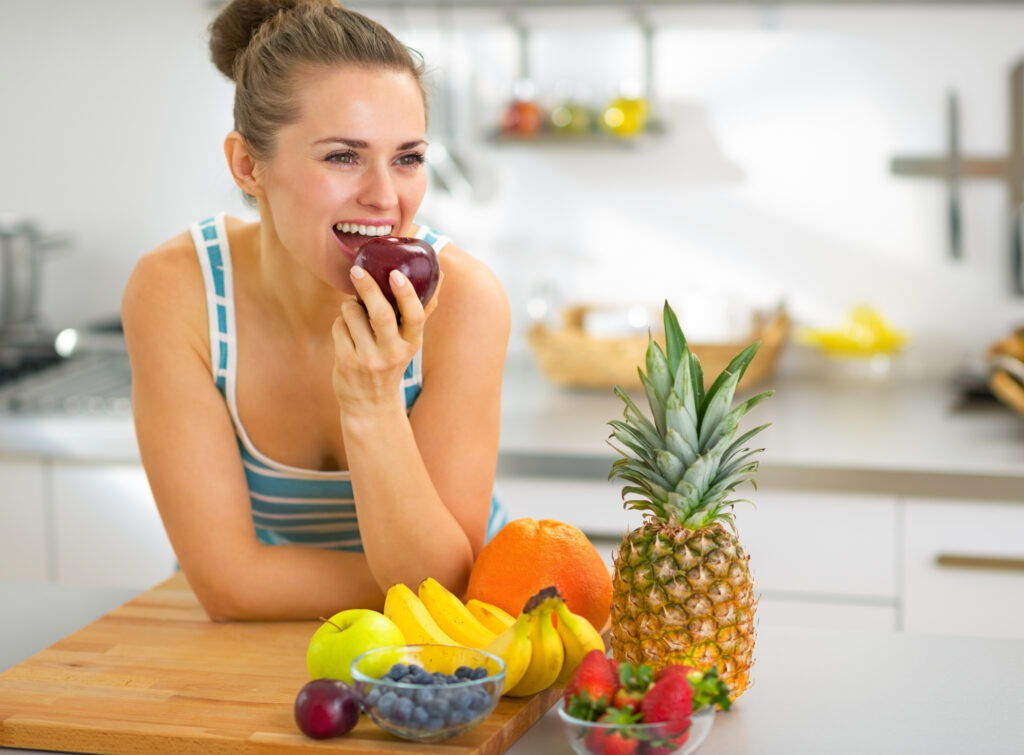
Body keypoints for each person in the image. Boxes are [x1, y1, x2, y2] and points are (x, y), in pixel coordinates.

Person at [121, 0, 510, 621]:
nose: (385, 197)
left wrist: (373, 401)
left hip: (436, 661)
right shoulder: (178, 290)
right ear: (249, 165)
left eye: (407, 157)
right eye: (342, 156)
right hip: (239, 665)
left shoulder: (464, 301)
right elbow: (227, 587)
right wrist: (430, 583)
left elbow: (447, 589)